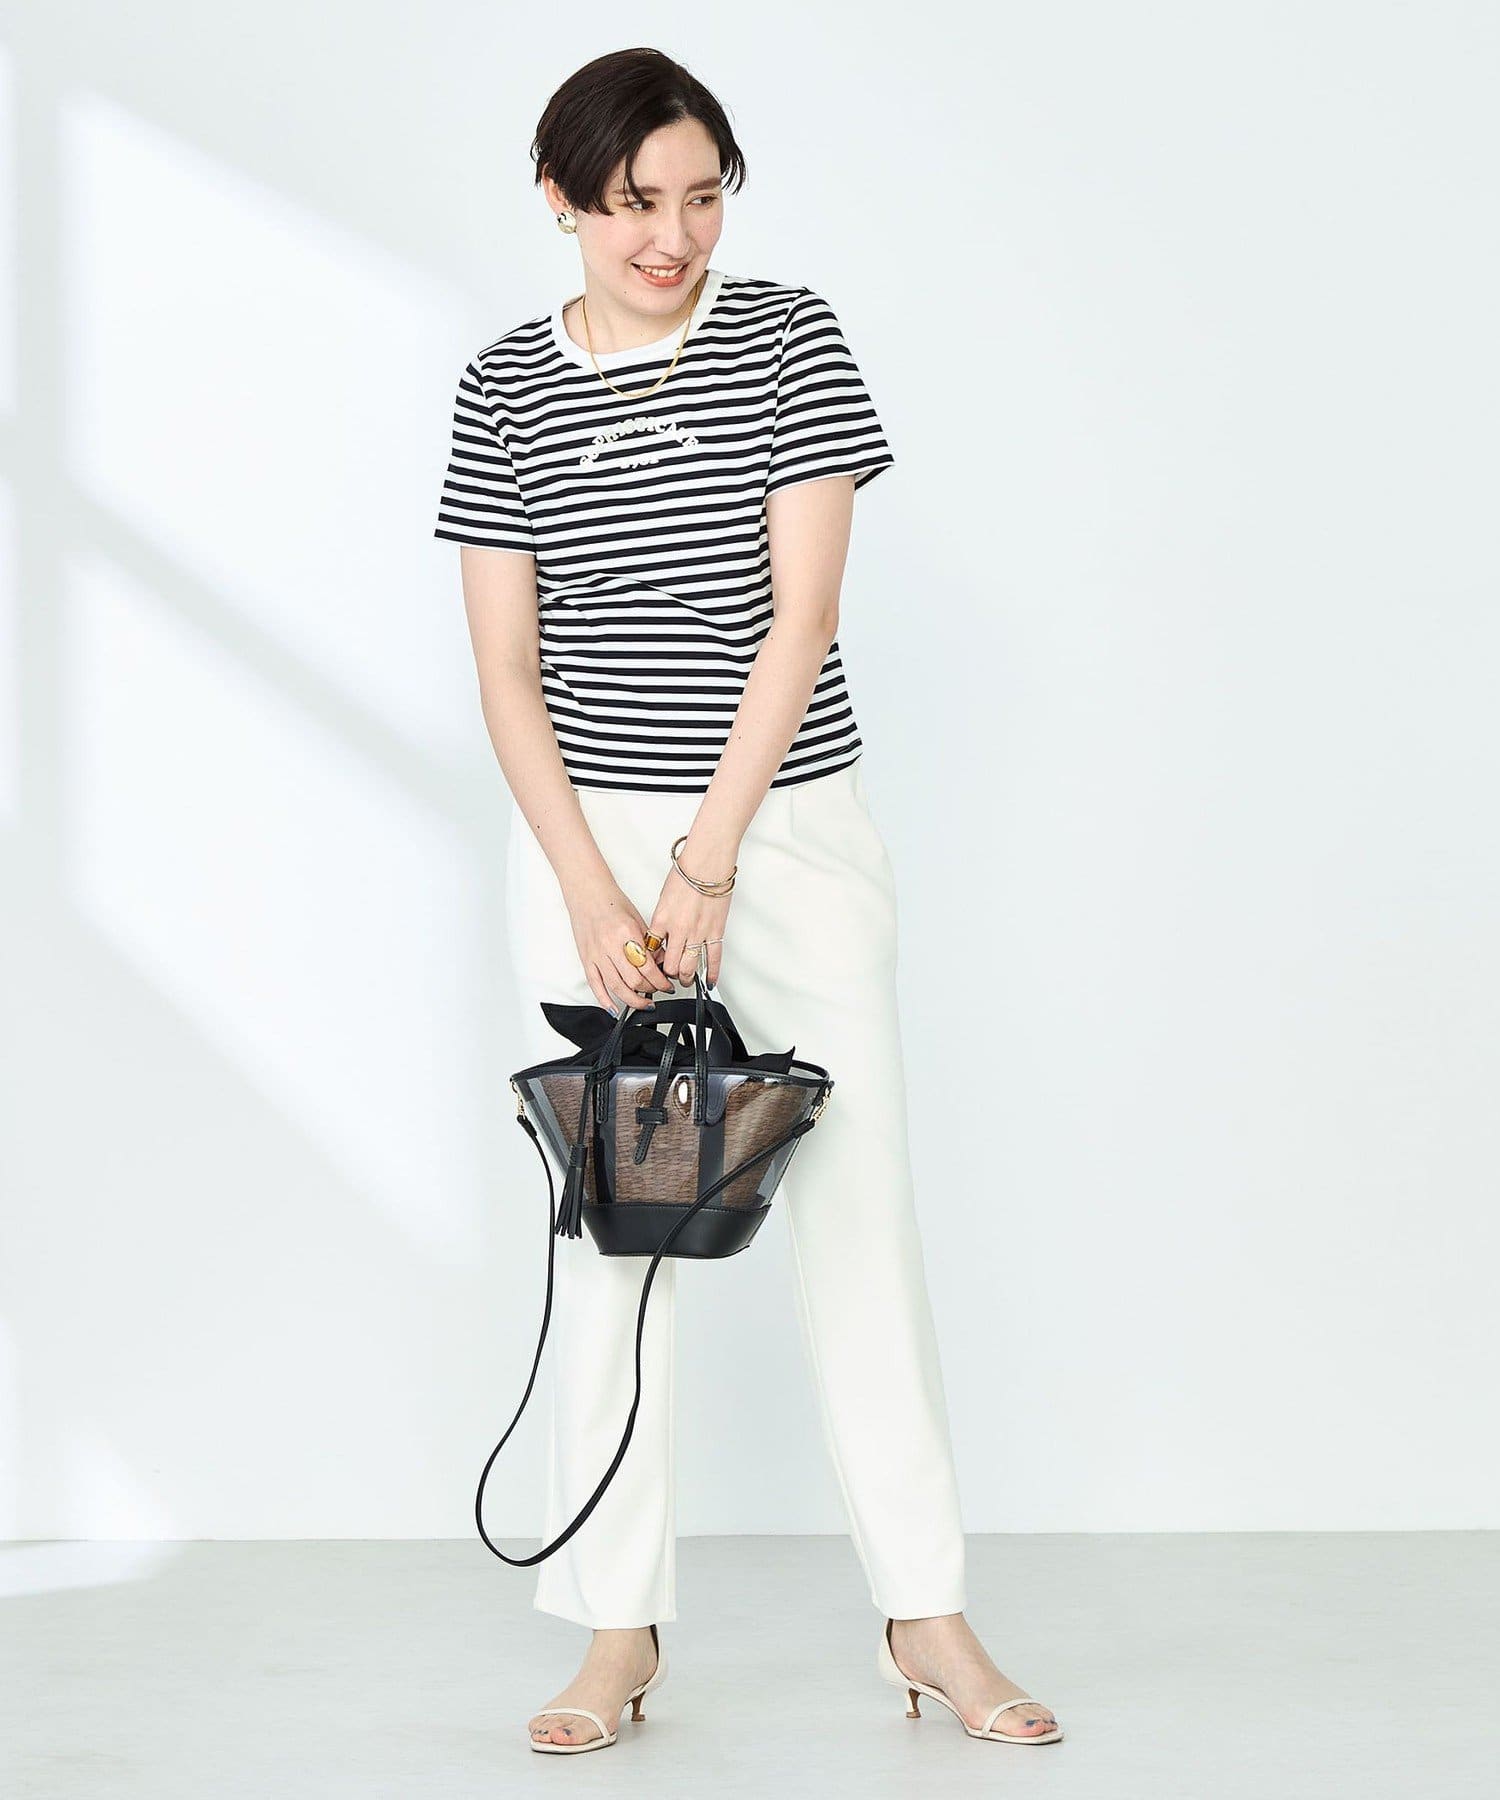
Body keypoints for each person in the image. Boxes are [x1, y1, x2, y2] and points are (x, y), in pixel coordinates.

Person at [434, 46, 1063, 1758]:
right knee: (613, 1243)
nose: (673, 236)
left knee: (860, 1215)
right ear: (560, 199)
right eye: (634, 203)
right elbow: (507, 671)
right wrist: (596, 889)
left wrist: (708, 861)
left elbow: (803, 618)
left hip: (783, 830)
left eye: (703, 196)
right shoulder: (505, 383)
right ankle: (613, 1630)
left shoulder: (788, 338)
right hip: (590, 850)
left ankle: (926, 1614)